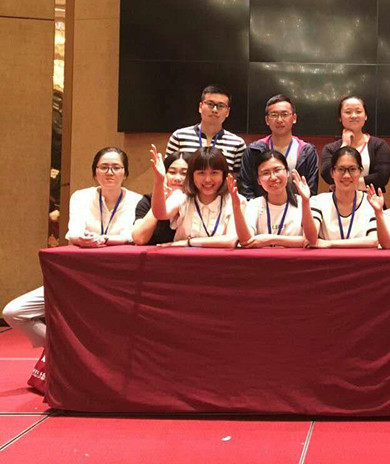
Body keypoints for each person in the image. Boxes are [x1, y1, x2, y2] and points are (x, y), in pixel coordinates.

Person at [3, 147, 141, 349]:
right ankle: (64, 349)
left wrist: (102, 239)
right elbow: (73, 232)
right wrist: (82, 239)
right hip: (77, 278)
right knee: (13, 312)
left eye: (116, 167)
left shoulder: (137, 201)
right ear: (95, 172)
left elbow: (133, 237)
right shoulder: (81, 197)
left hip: (117, 282)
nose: (110, 172)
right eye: (103, 167)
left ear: (125, 173)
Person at [152, 147, 238, 248]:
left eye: (214, 173)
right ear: (191, 175)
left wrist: (188, 242)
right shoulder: (181, 197)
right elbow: (160, 214)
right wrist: (159, 180)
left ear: (224, 175)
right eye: (201, 173)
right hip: (183, 257)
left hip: (221, 258)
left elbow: (231, 240)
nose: (207, 179)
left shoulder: (234, 200)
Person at [239, 94, 319, 200]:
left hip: (296, 208)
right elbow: (245, 186)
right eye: (274, 115)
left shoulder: (307, 151)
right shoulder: (253, 151)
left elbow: (311, 190)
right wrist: (258, 208)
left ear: (294, 118)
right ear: (267, 120)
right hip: (261, 208)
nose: (279, 120)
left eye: (285, 114)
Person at [298, 146, 378, 248]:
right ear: (332, 172)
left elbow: (374, 240)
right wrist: (305, 201)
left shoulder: (371, 202)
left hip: (361, 258)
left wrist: (330, 243)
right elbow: (311, 239)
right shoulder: (318, 202)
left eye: (352, 169)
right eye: (341, 169)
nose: (346, 175)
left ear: (360, 172)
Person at [227, 150, 305, 248]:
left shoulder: (304, 203)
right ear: (259, 180)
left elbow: (309, 240)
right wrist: (236, 206)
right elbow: (246, 241)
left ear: (287, 172)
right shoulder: (254, 205)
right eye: (265, 173)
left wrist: (270, 239)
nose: (273, 177)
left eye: (277, 170)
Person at [165, 85, 246, 174]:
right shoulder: (179, 137)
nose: (215, 110)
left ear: (227, 112)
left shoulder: (237, 144)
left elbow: (236, 179)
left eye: (221, 106)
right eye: (210, 104)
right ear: (200, 107)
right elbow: (168, 174)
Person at [321, 95, 390, 193]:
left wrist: (346, 183)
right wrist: (344, 145)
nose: (354, 116)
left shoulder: (379, 145)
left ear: (365, 116)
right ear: (340, 117)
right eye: (348, 112)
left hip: (370, 200)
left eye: (358, 112)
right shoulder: (330, 149)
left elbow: (382, 177)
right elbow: (328, 176)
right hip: (338, 200)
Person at [132, 149, 189, 245]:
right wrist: (161, 198)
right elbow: (139, 238)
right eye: (172, 172)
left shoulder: (197, 201)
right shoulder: (147, 201)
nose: (177, 178)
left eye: (184, 173)